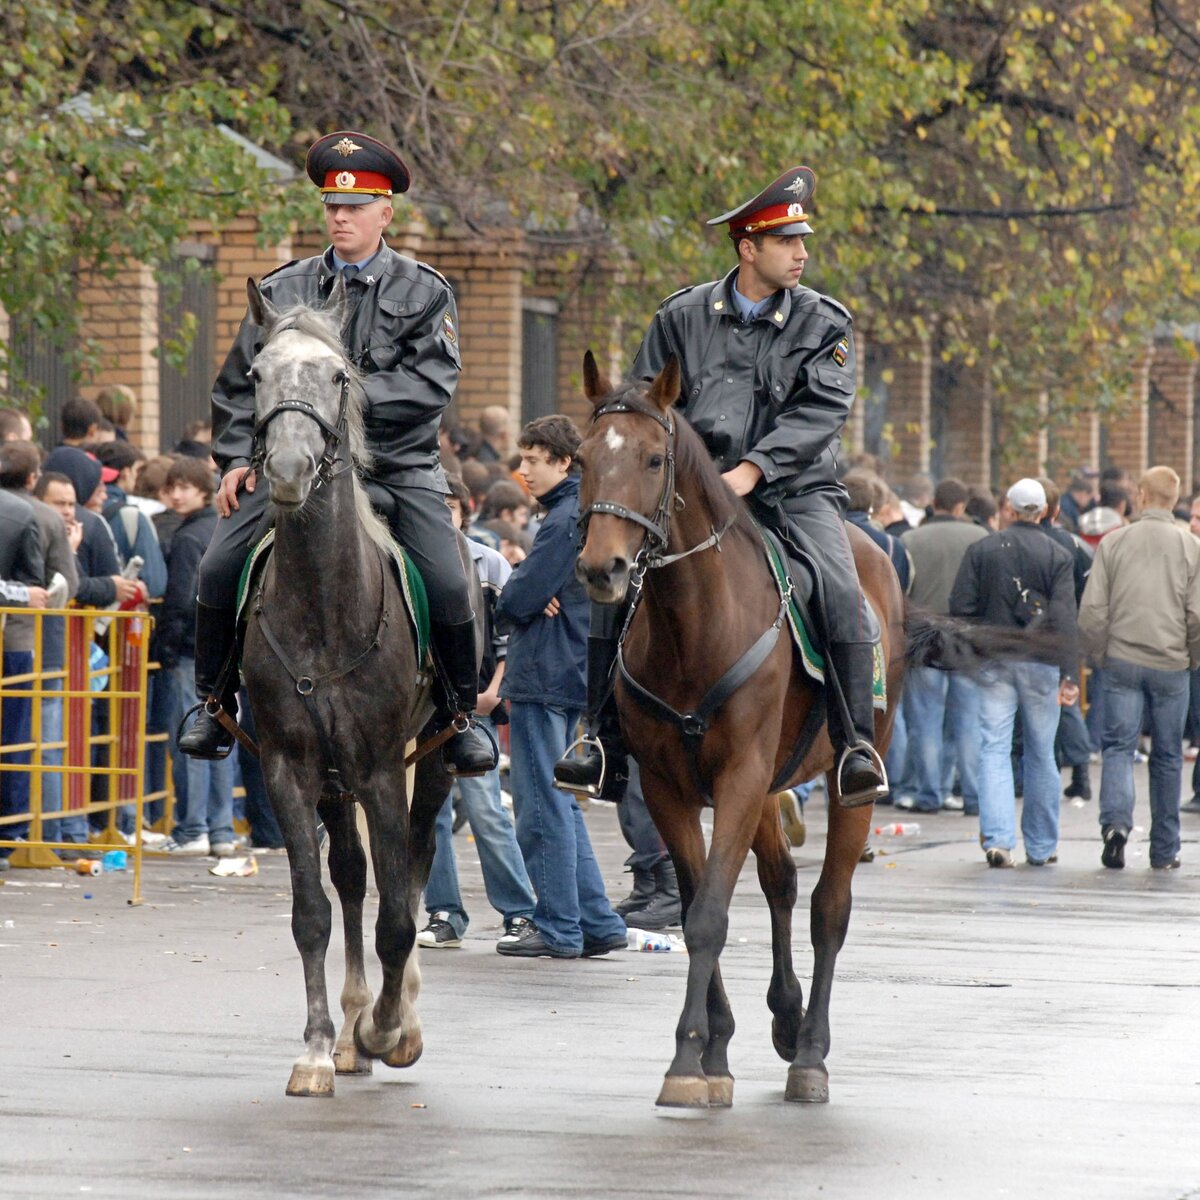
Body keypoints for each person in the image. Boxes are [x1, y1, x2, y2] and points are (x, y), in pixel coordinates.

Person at [556, 165, 887, 808]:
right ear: (748, 248)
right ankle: (598, 739)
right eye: (787, 242)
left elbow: (821, 413)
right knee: (613, 582)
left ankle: (853, 746)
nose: (801, 254)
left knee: (844, 591)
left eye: (801, 241)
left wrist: (754, 469)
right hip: (688, 494)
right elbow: (642, 405)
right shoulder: (680, 315)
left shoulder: (824, 322)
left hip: (793, 492)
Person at [177, 129, 492, 778]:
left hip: (396, 465)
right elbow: (239, 383)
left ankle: (461, 716)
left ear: (386, 213)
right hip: (290, 466)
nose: (340, 217)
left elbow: (431, 384)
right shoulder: (283, 288)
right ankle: (213, 703)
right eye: (331, 206)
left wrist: (334, 398)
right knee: (215, 568)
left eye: (355, 207)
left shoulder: (424, 290)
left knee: (449, 578)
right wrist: (235, 459)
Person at [495, 416, 626, 959]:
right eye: (522, 459)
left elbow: (520, 598)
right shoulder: (576, 509)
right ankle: (596, 922)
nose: (522, 470)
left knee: (541, 805)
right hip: (568, 668)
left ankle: (557, 926)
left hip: (545, 671)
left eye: (533, 460)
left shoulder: (564, 515)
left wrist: (512, 596)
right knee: (565, 803)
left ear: (564, 462)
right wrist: (529, 590)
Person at [417, 475, 537, 950]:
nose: (441, 516)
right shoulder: (410, 562)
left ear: (464, 510)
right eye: (432, 506)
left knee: (487, 810)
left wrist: (492, 691)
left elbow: (510, 638)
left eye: (449, 507)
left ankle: (520, 912)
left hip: (474, 708)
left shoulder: (488, 563)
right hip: (423, 710)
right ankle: (444, 913)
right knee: (431, 814)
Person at [949, 478, 1079, 868]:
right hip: (1041, 661)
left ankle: (999, 839)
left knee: (994, 748)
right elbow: (1065, 618)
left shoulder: (982, 549)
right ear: (1043, 511)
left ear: (1008, 508)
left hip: (994, 659)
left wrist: (974, 649)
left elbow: (961, 606)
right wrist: (1069, 673)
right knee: (1042, 752)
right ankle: (1041, 846)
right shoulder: (1058, 555)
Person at [1077, 466, 1200, 871]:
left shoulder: (1114, 543)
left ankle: (1115, 825)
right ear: (1175, 499)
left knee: (1118, 747)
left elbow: (1093, 610)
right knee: (1167, 755)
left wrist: (1098, 655)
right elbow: (1196, 615)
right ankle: (1164, 849)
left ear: (1142, 496)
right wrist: (1191, 657)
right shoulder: (1191, 548)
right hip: (1171, 664)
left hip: (1122, 661)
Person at [154, 456, 236, 855]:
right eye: (171, 486)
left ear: (204, 489)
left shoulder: (188, 537)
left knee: (191, 741)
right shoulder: (223, 527)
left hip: (190, 652)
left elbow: (181, 600)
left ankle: (191, 828)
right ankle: (221, 830)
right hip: (228, 651)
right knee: (221, 739)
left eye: (184, 486)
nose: (175, 493)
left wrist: (165, 648)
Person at [0, 443, 78, 849]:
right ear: (33, 478)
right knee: (21, 741)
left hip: (22, 639)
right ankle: (18, 832)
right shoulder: (38, 516)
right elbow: (62, 584)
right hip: (22, 640)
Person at [897, 477, 989, 815]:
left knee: (925, 722)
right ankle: (973, 795)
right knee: (967, 722)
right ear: (962, 506)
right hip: (966, 640)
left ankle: (929, 794)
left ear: (935, 502)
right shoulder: (980, 537)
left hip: (923, 640)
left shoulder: (910, 539)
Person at [0, 467, 48, 862]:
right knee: (13, 738)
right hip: (13, 641)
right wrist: (19, 594)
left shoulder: (19, 513)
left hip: (12, 642)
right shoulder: (21, 513)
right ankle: (10, 829)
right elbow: (34, 586)